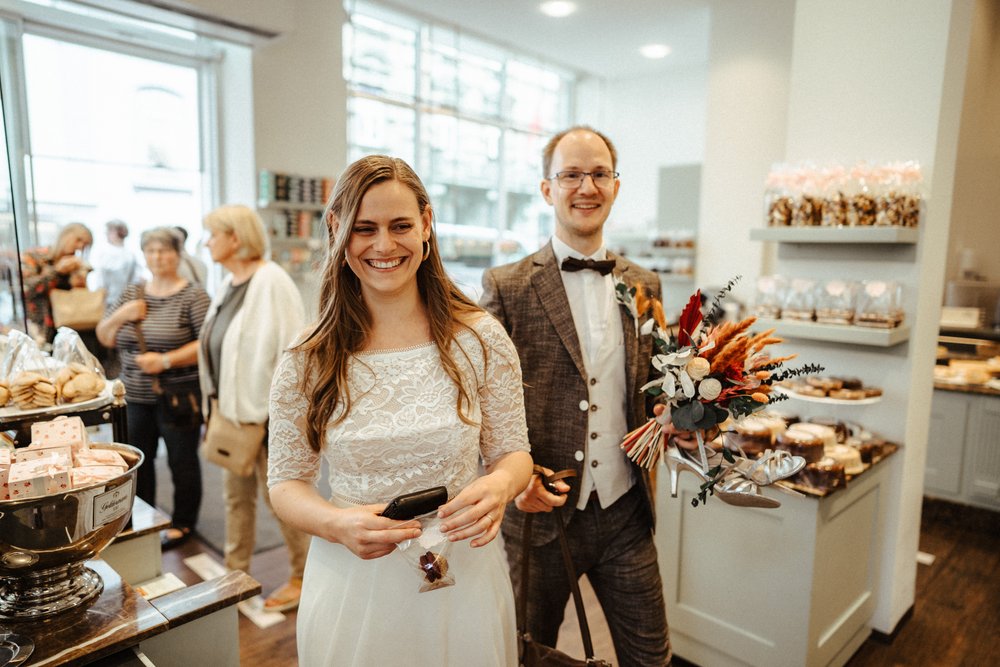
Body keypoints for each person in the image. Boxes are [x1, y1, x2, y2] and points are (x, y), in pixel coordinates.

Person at [267, 155, 533, 665]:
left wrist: (500, 487)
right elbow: (285, 483)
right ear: (337, 232)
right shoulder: (309, 356)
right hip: (354, 580)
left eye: (400, 226)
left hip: (465, 576)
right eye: (364, 229)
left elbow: (514, 452)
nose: (384, 246)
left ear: (427, 225)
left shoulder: (479, 337)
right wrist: (334, 523)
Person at [481, 125, 672, 666]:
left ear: (616, 185)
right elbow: (479, 403)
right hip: (539, 519)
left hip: (625, 511)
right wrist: (510, 478)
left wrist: (681, 414)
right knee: (524, 655)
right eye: (570, 174)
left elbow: (653, 387)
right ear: (547, 189)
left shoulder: (645, 284)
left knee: (651, 657)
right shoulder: (507, 285)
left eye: (599, 174)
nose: (586, 187)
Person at [197, 204, 311, 612]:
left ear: (235, 237)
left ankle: (304, 577)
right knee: (235, 499)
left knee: (282, 501)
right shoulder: (230, 282)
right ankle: (235, 572)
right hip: (230, 412)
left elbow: (290, 351)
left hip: (264, 417)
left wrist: (274, 416)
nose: (207, 241)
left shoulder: (271, 281)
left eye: (213, 233)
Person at [96, 227, 210, 549]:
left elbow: (208, 344)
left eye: (165, 251)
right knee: (137, 462)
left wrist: (166, 361)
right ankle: (144, 519)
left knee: (182, 461)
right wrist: (122, 314)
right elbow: (105, 336)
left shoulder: (194, 295)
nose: (157, 257)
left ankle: (185, 523)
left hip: (177, 395)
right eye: (151, 251)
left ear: (178, 254)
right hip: (133, 396)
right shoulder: (134, 293)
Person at [20, 222, 93, 342]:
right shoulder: (34, 256)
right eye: (78, 240)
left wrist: (79, 280)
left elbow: (81, 301)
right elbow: (28, 289)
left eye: (84, 245)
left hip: (69, 328)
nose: (80, 247)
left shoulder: (76, 264)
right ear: (65, 235)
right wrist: (57, 271)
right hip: (39, 329)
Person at [89, 220, 142, 307]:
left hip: (123, 300)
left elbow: (135, 280)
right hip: (107, 300)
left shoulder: (130, 255)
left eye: (109, 231)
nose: (107, 234)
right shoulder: (104, 253)